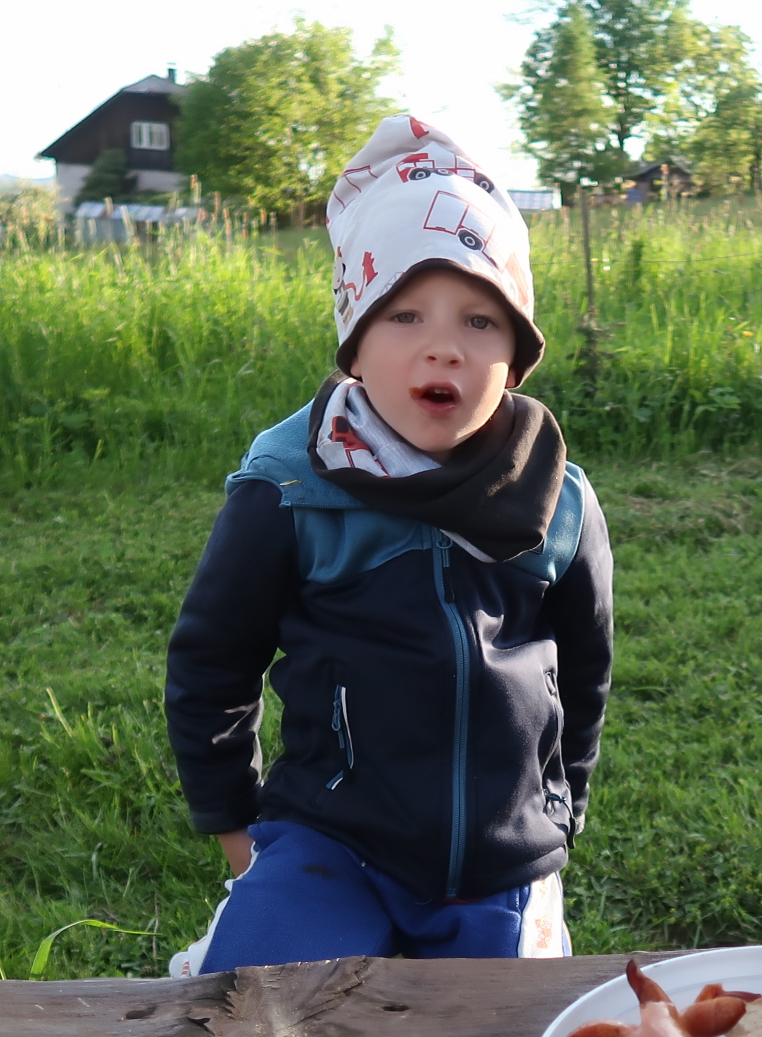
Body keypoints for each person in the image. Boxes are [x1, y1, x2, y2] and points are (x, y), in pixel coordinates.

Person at [164, 116, 613, 972]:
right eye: (404, 313)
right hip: (330, 841)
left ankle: (526, 921)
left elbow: (584, 673)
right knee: (257, 1015)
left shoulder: (556, 500)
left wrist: (560, 812)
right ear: (354, 345)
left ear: (517, 355)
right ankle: (237, 928)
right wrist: (236, 832)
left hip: (498, 858)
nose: (443, 345)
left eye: (481, 320)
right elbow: (211, 664)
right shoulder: (290, 487)